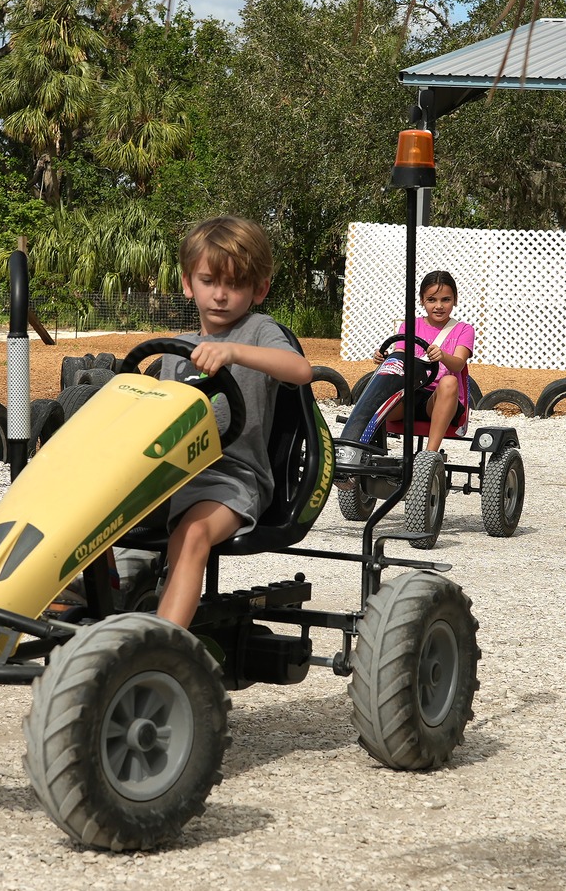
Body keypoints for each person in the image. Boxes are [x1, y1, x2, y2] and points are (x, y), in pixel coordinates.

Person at [139, 217, 313, 630]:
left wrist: (233, 351)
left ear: (259, 289)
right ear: (188, 283)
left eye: (234, 284)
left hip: (231, 480)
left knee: (192, 534)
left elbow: (300, 370)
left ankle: (164, 646)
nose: (220, 295)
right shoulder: (175, 350)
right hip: (172, 475)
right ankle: (94, 603)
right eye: (208, 281)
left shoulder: (257, 331)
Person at [337, 271, 473, 479]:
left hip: (440, 399)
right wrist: (386, 358)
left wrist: (443, 356)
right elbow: (400, 355)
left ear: (455, 300)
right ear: (422, 300)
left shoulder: (463, 330)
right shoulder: (411, 326)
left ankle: (429, 458)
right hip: (409, 394)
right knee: (382, 380)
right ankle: (355, 448)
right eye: (432, 300)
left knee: (449, 381)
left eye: (445, 300)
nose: (439, 306)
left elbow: (459, 362)